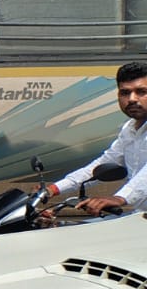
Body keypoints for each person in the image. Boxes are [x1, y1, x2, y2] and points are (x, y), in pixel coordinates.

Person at [43, 61, 147, 215]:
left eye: (141, 91)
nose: (132, 99)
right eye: (125, 93)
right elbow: (104, 164)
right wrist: (53, 189)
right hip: (139, 218)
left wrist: (120, 198)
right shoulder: (130, 129)